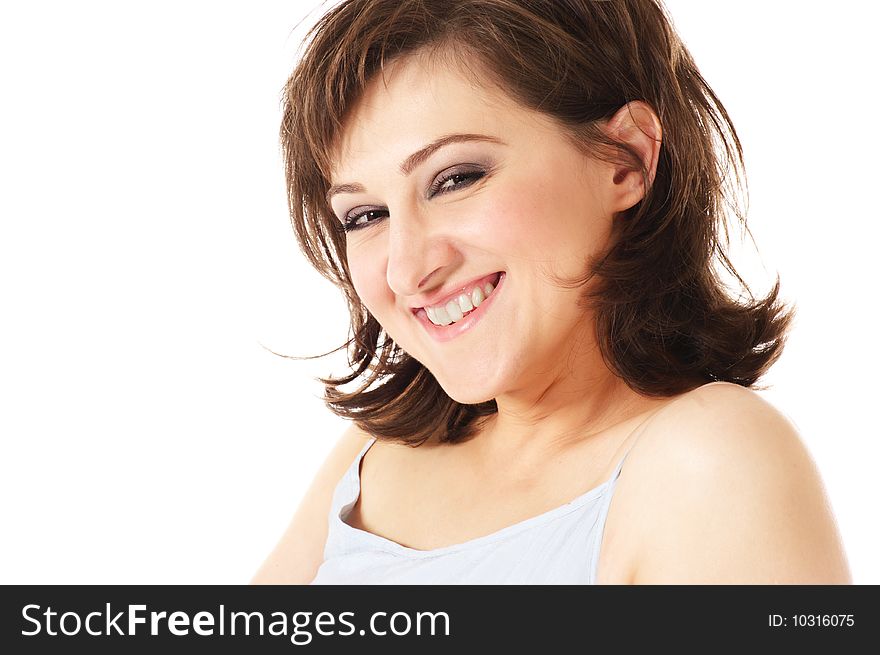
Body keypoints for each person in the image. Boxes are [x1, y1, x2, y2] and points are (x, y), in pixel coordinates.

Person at [252, 0, 850, 584]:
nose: (407, 270)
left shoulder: (710, 460)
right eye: (364, 215)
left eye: (456, 179)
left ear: (625, 160)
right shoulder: (371, 457)